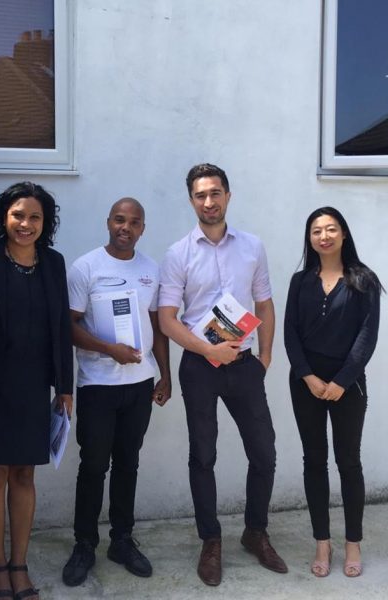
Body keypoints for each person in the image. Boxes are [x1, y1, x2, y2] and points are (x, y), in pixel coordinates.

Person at [158, 163, 287, 586]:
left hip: (245, 364)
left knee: (264, 453)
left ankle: (255, 531)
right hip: (199, 366)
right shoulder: (179, 253)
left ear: (228, 196)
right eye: (200, 195)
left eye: (215, 193)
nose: (208, 202)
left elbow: (264, 303)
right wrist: (208, 349)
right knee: (203, 456)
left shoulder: (252, 247)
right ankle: (210, 540)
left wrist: (265, 356)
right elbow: (168, 319)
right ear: (191, 200)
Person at [0, 182, 73, 600]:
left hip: (33, 387)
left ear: (46, 222)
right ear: (4, 217)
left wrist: (65, 386)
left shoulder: (54, 264)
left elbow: (61, 326)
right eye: (18, 215)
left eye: (35, 217)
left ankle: (19, 564)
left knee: (24, 474)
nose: (26, 224)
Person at [61, 198, 172, 587]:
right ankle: (84, 544)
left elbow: (158, 327)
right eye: (120, 220)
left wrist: (165, 375)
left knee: (128, 464)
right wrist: (110, 350)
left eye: (134, 222)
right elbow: (68, 327)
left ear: (143, 228)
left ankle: (121, 540)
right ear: (108, 222)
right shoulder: (85, 267)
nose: (126, 227)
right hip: (97, 386)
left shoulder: (150, 270)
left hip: (139, 386)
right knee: (93, 467)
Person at [284, 207, 381, 578]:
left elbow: (367, 336)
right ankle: (322, 543)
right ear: (309, 238)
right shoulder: (299, 281)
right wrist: (308, 376)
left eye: (331, 229)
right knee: (314, 461)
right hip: (305, 383)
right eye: (316, 231)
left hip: (348, 384)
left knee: (348, 462)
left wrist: (341, 380)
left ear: (343, 234)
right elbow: (290, 333)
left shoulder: (363, 280)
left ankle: (352, 542)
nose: (323, 236)